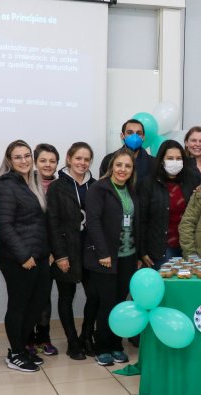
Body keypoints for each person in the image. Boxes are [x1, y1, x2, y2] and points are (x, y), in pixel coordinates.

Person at [0, 140, 52, 373]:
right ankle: (16, 353)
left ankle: (21, 348)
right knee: (19, 306)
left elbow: (39, 222)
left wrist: (47, 252)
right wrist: (23, 255)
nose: (24, 160)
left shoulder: (33, 181)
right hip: (18, 258)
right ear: (9, 160)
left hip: (39, 255)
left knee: (37, 304)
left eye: (27, 155)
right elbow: (4, 225)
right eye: (18, 157)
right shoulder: (6, 185)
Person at [83, 149, 139, 366]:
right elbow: (93, 222)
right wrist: (103, 252)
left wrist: (139, 253)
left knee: (120, 303)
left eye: (128, 166)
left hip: (128, 256)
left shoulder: (131, 190)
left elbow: (136, 223)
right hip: (106, 257)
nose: (123, 169)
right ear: (111, 167)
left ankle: (116, 345)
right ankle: (102, 348)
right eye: (119, 165)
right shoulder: (99, 188)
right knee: (106, 303)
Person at [46, 142, 96, 361]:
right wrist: (60, 255)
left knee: (94, 296)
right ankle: (72, 341)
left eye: (86, 159)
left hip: (91, 251)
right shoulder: (57, 187)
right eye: (78, 158)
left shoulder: (95, 185)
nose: (82, 163)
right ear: (69, 159)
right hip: (67, 251)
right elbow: (53, 223)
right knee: (66, 297)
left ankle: (87, 335)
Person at [138, 140, 196, 268]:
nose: (174, 162)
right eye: (170, 158)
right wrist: (141, 251)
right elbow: (141, 219)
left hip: (188, 248)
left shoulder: (192, 180)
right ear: (162, 160)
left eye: (178, 158)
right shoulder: (149, 183)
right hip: (160, 249)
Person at [29, 143, 59, 358]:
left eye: (52, 161)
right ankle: (27, 338)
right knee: (29, 297)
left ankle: (43, 337)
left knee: (44, 298)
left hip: (53, 252)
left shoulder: (60, 186)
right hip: (30, 251)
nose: (48, 165)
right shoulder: (25, 184)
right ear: (35, 162)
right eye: (43, 160)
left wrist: (54, 251)